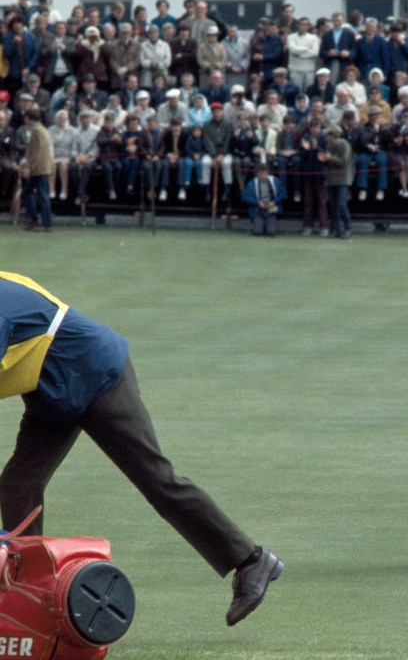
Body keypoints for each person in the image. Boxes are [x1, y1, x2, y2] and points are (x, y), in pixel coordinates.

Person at [0, 271, 283, 627]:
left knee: (157, 479)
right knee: (18, 484)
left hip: (95, 370)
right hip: (53, 391)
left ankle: (252, 561)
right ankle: (26, 589)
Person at [20, 109, 53, 231]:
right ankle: (35, 219)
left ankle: (46, 223)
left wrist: (29, 167)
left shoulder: (37, 131)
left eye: (26, 117)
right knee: (28, 192)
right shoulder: (42, 130)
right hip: (41, 167)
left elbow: (37, 152)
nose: (25, 119)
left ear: (31, 118)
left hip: (39, 168)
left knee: (42, 195)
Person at [241, 161, 285, 237]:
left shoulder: (275, 181)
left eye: (265, 173)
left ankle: (268, 226)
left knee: (271, 232)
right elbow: (245, 196)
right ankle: (259, 226)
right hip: (258, 210)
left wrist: (274, 201)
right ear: (257, 174)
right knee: (257, 232)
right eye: (261, 173)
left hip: (271, 209)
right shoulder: (252, 183)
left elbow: (282, 193)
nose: (263, 175)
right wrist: (257, 202)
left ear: (268, 173)